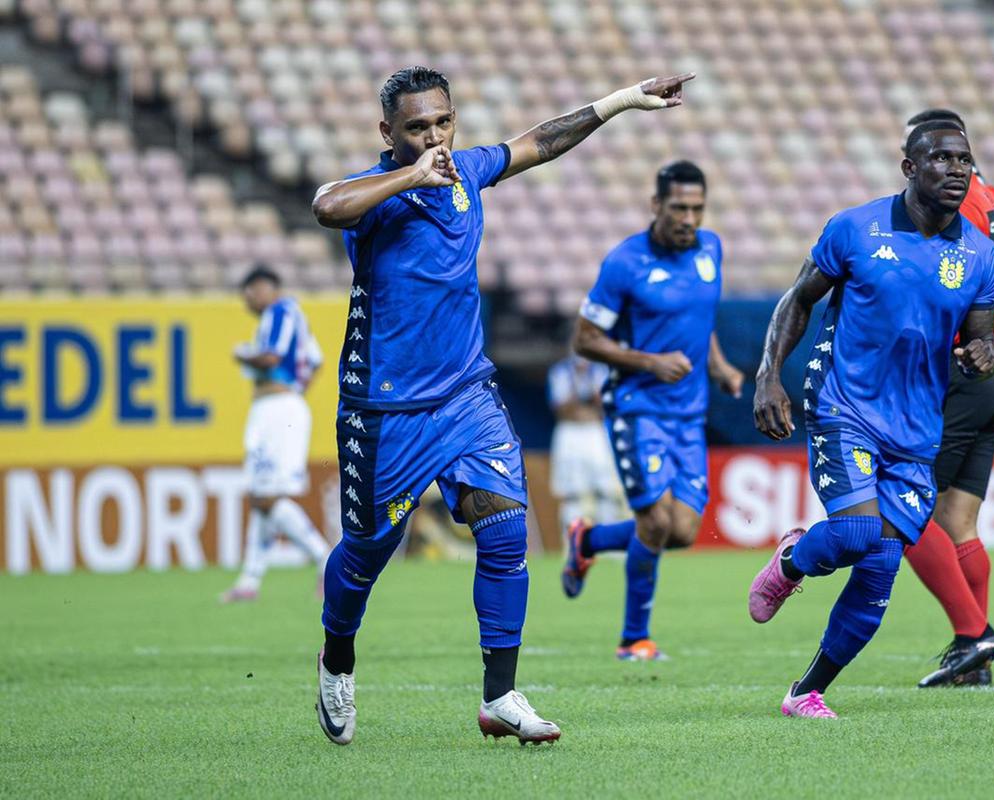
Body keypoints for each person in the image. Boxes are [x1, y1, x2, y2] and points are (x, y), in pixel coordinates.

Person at [310, 65, 694, 745]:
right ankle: (337, 656)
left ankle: (501, 696)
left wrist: (622, 101)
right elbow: (326, 205)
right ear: (386, 132)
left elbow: (541, 141)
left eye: (442, 122)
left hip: (466, 396)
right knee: (368, 552)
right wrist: (411, 176)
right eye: (417, 127)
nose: (434, 137)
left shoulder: (471, 170)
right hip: (384, 409)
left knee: (506, 532)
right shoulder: (375, 196)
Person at [748, 122, 994, 719]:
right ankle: (791, 560)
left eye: (964, 159)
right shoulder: (856, 228)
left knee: (881, 568)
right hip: (845, 404)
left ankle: (806, 692)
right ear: (910, 169)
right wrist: (768, 375)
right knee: (861, 535)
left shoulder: (980, 254)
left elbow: (979, 335)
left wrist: (984, 352)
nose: (957, 169)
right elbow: (799, 299)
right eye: (941, 158)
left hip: (915, 429)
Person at [561, 160, 743, 662]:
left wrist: (721, 368)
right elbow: (585, 340)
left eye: (697, 209)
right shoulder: (625, 263)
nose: (689, 218)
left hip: (690, 412)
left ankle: (589, 540)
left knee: (682, 531)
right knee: (655, 522)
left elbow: (699, 323)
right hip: (638, 407)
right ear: (656, 205)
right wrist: (650, 362)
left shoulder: (711, 250)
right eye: (680, 207)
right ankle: (633, 639)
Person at [900, 110, 994, 688]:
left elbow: (945, 283)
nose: (943, 168)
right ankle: (975, 662)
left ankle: (974, 635)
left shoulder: (959, 202)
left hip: (960, 366)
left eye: (947, 157)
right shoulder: (988, 192)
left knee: (904, 509)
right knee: (957, 519)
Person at [221, 266, 330, 603]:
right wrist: (297, 390)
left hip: (278, 411)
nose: (247, 298)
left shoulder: (281, 311)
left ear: (266, 286)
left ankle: (325, 559)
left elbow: (271, 357)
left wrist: (244, 354)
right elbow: (316, 359)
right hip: (277, 408)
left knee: (267, 497)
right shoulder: (287, 318)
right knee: (260, 496)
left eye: (251, 290)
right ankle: (249, 581)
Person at [547, 352, 624, 538]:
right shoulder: (560, 372)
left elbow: (606, 403)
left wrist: (590, 395)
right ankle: (572, 544)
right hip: (569, 432)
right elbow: (561, 407)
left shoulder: (600, 370)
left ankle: (608, 541)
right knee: (572, 492)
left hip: (595, 431)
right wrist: (580, 389)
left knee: (606, 490)